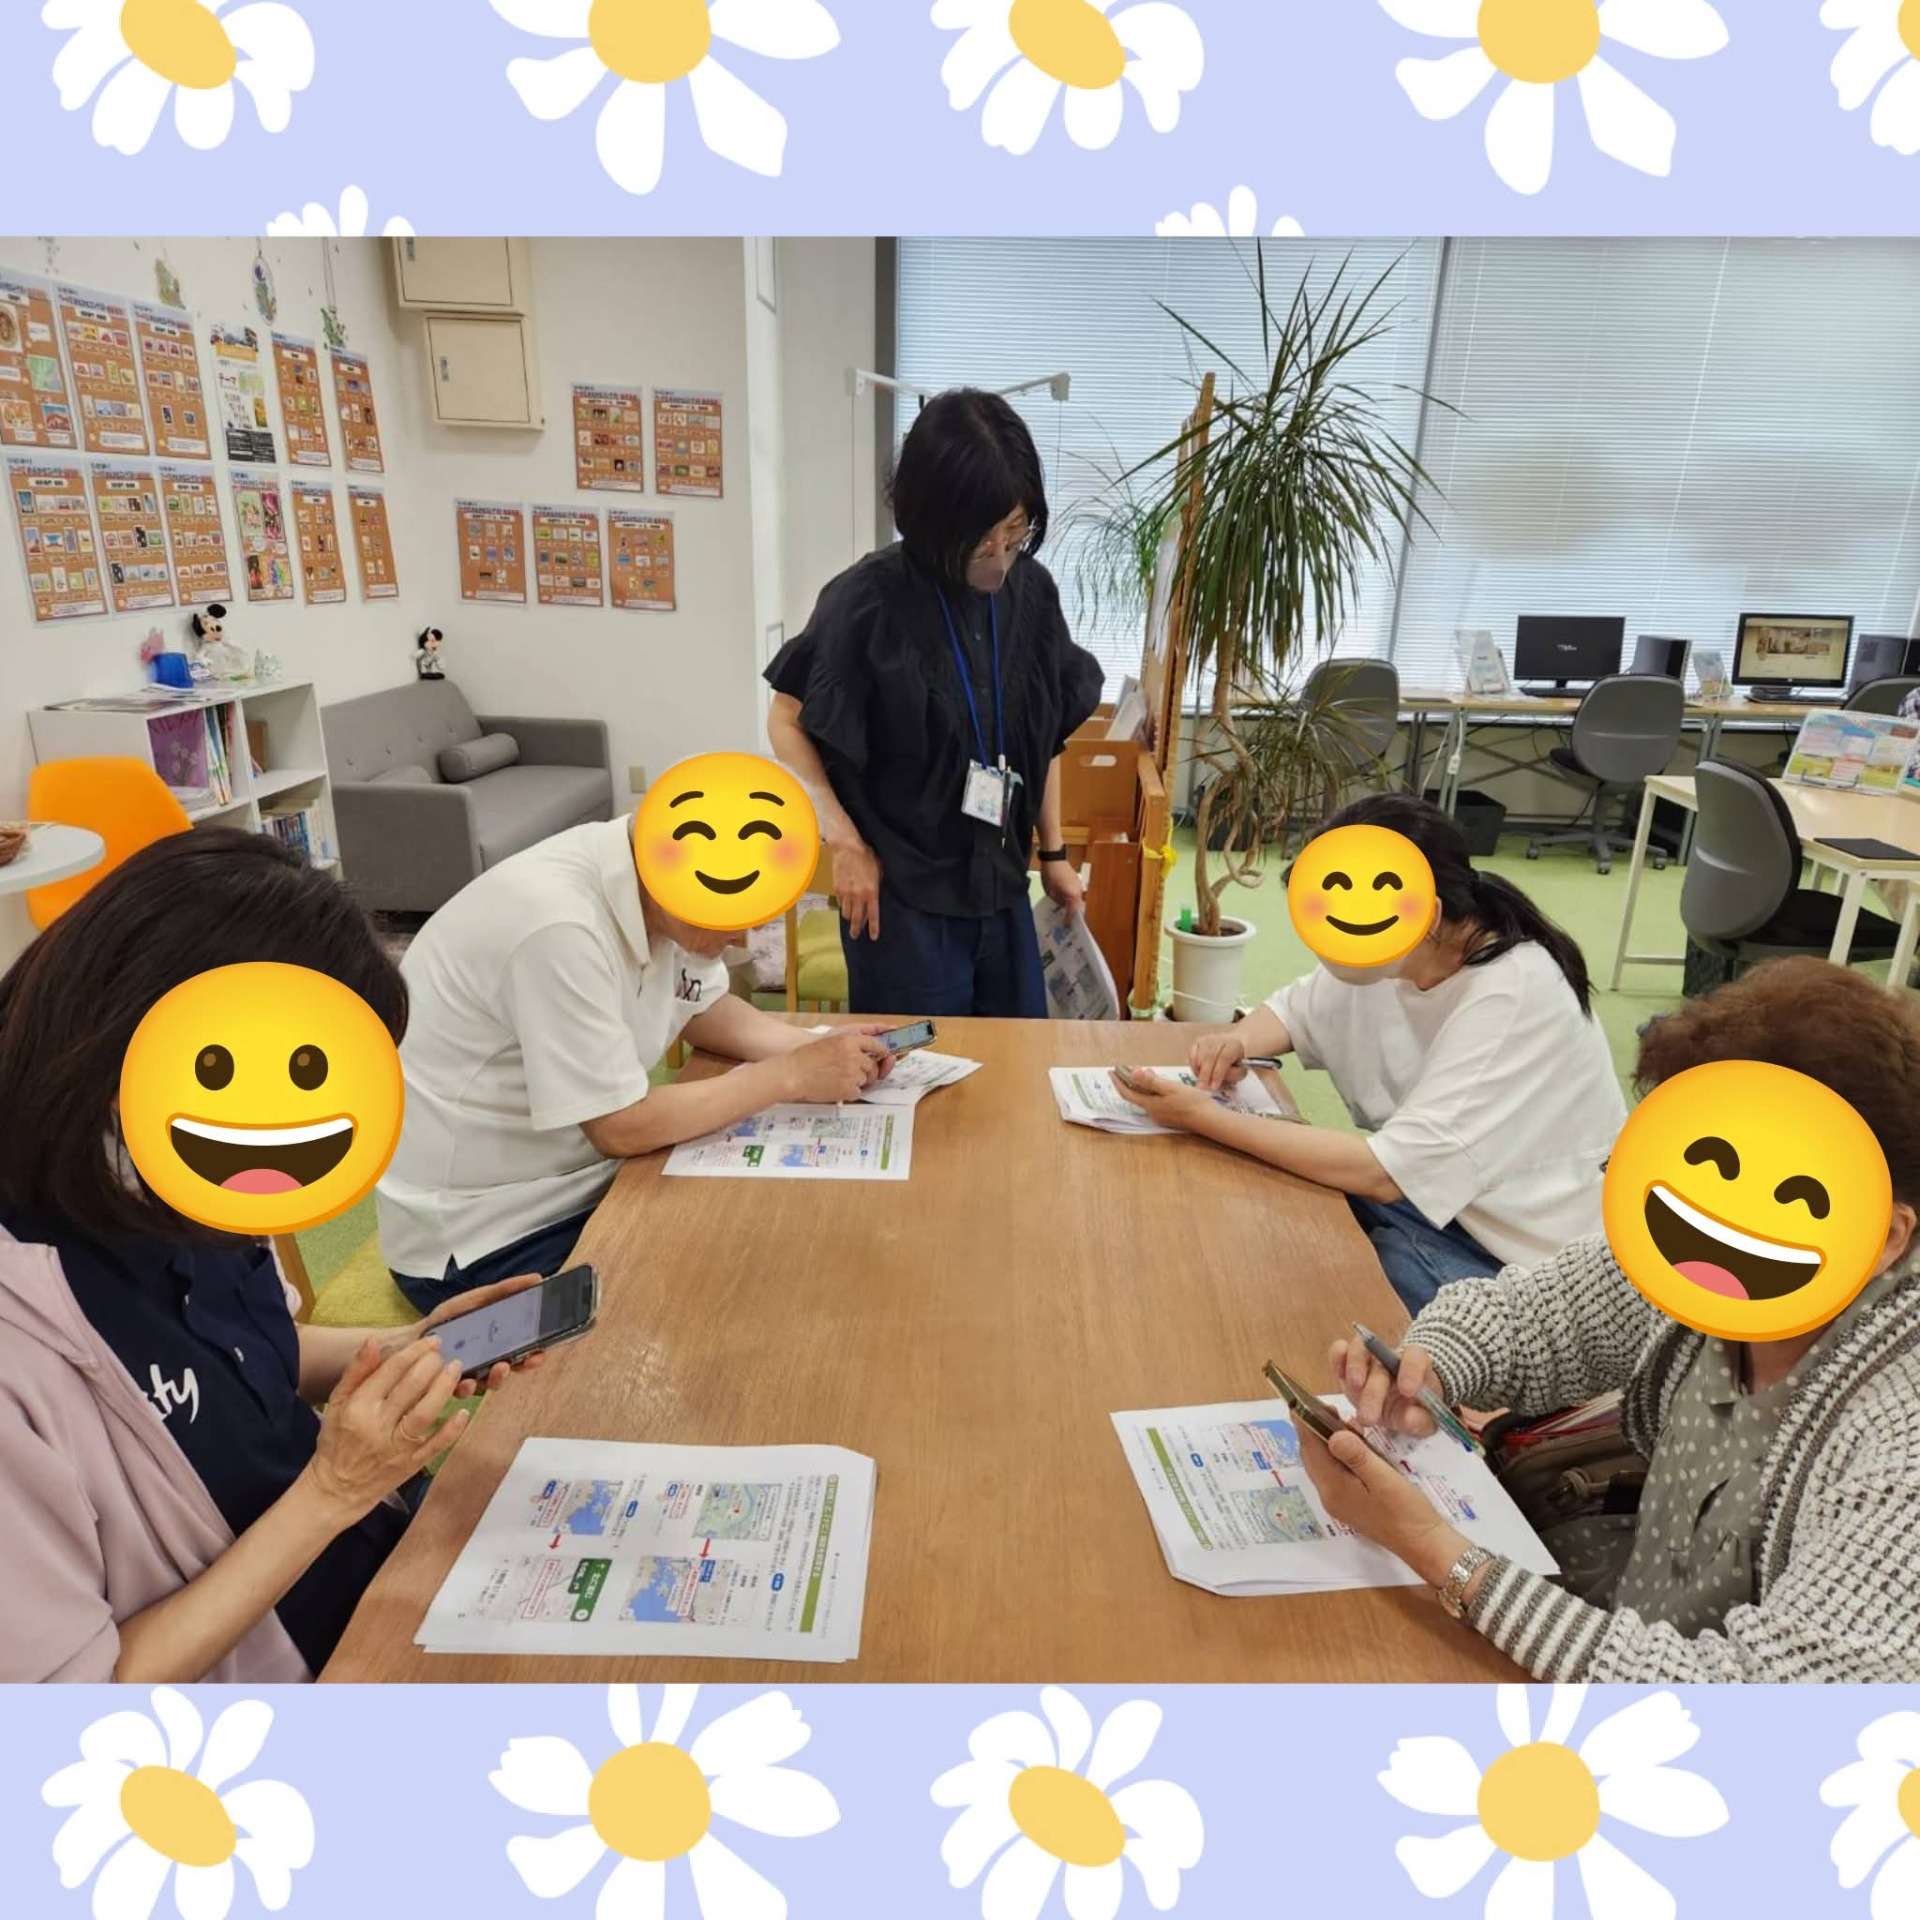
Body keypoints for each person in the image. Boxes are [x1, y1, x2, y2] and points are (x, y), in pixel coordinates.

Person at [0, 830, 561, 1683]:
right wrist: (332, 1492)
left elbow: (240, 1351)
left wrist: (412, 1349)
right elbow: (75, 1699)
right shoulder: (28, 1330)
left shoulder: (186, 1175)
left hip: (373, 1561)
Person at [1297, 958, 1920, 1682]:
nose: (1711, 1215)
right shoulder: (1711, 1266)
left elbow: (1768, 1703)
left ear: (1886, 1236)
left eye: (1788, 1196)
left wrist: (1437, 1551)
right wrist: (1431, 1362)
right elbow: (1541, 1315)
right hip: (1631, 1615)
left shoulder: (1896, 1438)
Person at [1114, 793, 1626, 1310]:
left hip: (1528, 1258)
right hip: (1448, 1210)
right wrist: (1237, 1041)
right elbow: (1294, 1012)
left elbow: (1383, 1174)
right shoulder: (1394, 952)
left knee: (1334, 1281)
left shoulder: (1511, 994)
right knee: (1276, 1203)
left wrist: (1203, 1117)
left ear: (1429, 915)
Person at [379, 809, 894, 1312]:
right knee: (735, 1283)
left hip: (573, 1175)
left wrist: (812, 1047)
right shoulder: (558, 927)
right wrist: (793, 1075)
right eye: (731, 920)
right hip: (484, 1234)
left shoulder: (659, 877)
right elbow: (620, 1127)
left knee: (771, 1225)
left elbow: (700, 1005)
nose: (742, 939)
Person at [766, 388, 1105, 1017]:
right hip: (903, 903)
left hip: (1003, 886)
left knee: (1020, 1057)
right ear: (932, 520)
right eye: (982, 541)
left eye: (1015, 532)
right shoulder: (866, 601)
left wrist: (1054, 853)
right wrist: (844, 843)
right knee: (919, 1065)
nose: (1001, 558)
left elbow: (1045, 735)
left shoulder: (1033, 594)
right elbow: (787, 719)